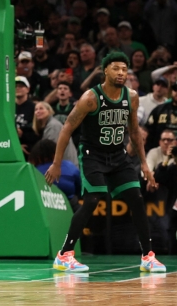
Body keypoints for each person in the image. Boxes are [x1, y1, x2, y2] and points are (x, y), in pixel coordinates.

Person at [45, 52, 165, 273]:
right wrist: (57, 163)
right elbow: (67, 129)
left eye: (124, 69)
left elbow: (135, 132)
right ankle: (64, 254)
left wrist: (145, 164)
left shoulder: (132, 96)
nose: (121, 73)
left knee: (136, 198)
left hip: (118, 155)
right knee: (92, 200)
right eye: (116, 68)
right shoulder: (90, 98)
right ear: (105, 71)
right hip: (93, 154)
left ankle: (148, 256)